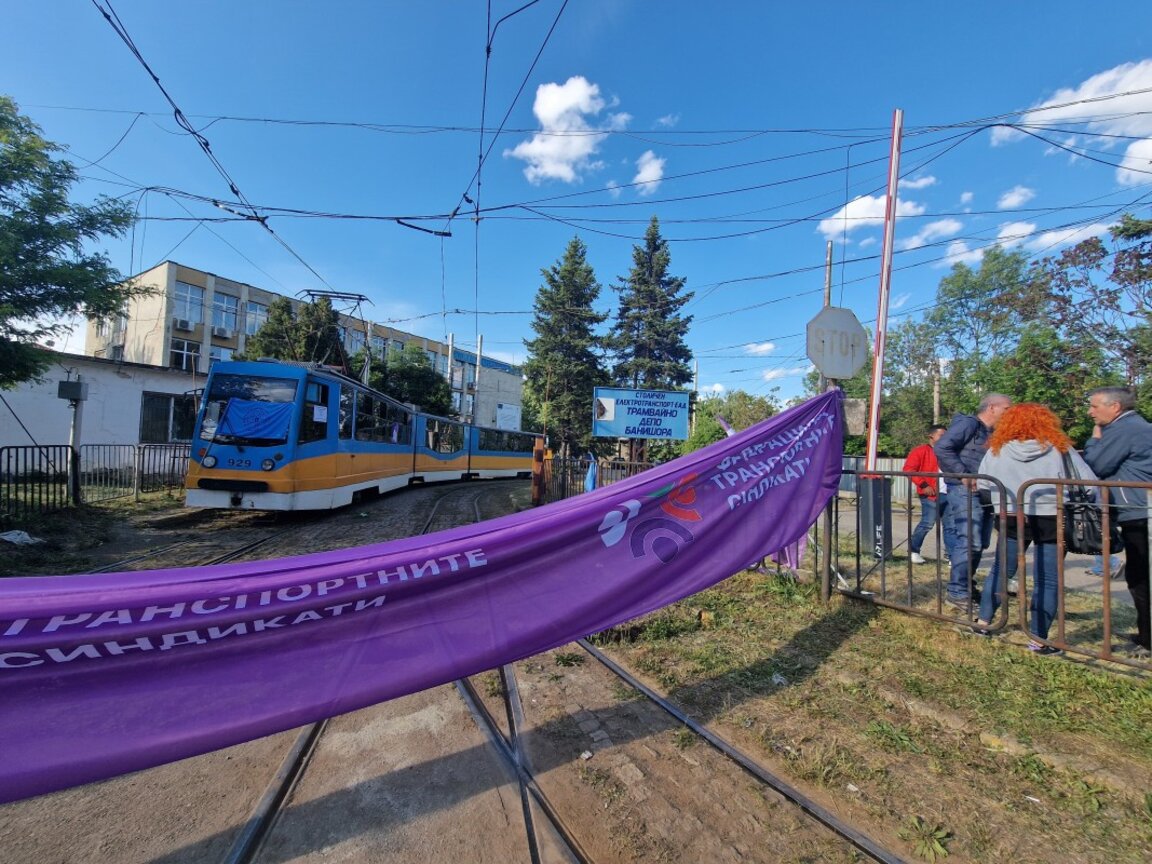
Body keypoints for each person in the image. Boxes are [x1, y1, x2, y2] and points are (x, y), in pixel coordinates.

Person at [972, 403, 1098, 654]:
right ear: (1045, 421)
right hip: (1051, 517)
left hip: (1010, 516)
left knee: (1001, 570)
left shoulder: (997, 450)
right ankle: (1039, 640)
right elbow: (1090, 485)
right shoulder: (1060, 449)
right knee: (1048, 579)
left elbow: (983, 485)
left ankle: (984, 622)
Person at [1083, 386, 1152, 659]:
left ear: (1115, 407)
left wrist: (1094, 439)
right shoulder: (1131, 426)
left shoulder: (1125, 429)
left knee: (1141, 576)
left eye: (1094, 406)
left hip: (1136, 509)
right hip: (1135, 507)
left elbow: (1096, 464)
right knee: (1137, 574)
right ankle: (1145, 634)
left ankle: (1148, 641)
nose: (1090, 412)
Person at [935, 393, 1013, 612]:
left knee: (980, 542)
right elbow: (942, 447)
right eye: (1007, 409)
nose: (1010, 414)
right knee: (971, 541)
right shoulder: (969, 424)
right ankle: (957, 592)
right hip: (964, 489)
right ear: (992, 407)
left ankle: (965, 586)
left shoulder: (994, 432)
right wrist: (963, 474)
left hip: (985, 491)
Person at [902, 425, 955, 564]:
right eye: (941, 435)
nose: (945, 438)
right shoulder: (920, 451)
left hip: (949, 493)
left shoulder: (950, 451)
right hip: (931, 494)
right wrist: (923, 485)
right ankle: (913, 551)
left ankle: (951, 556)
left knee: (950, 526)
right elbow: (908, 469)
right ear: (931, 436)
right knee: (927, 523)